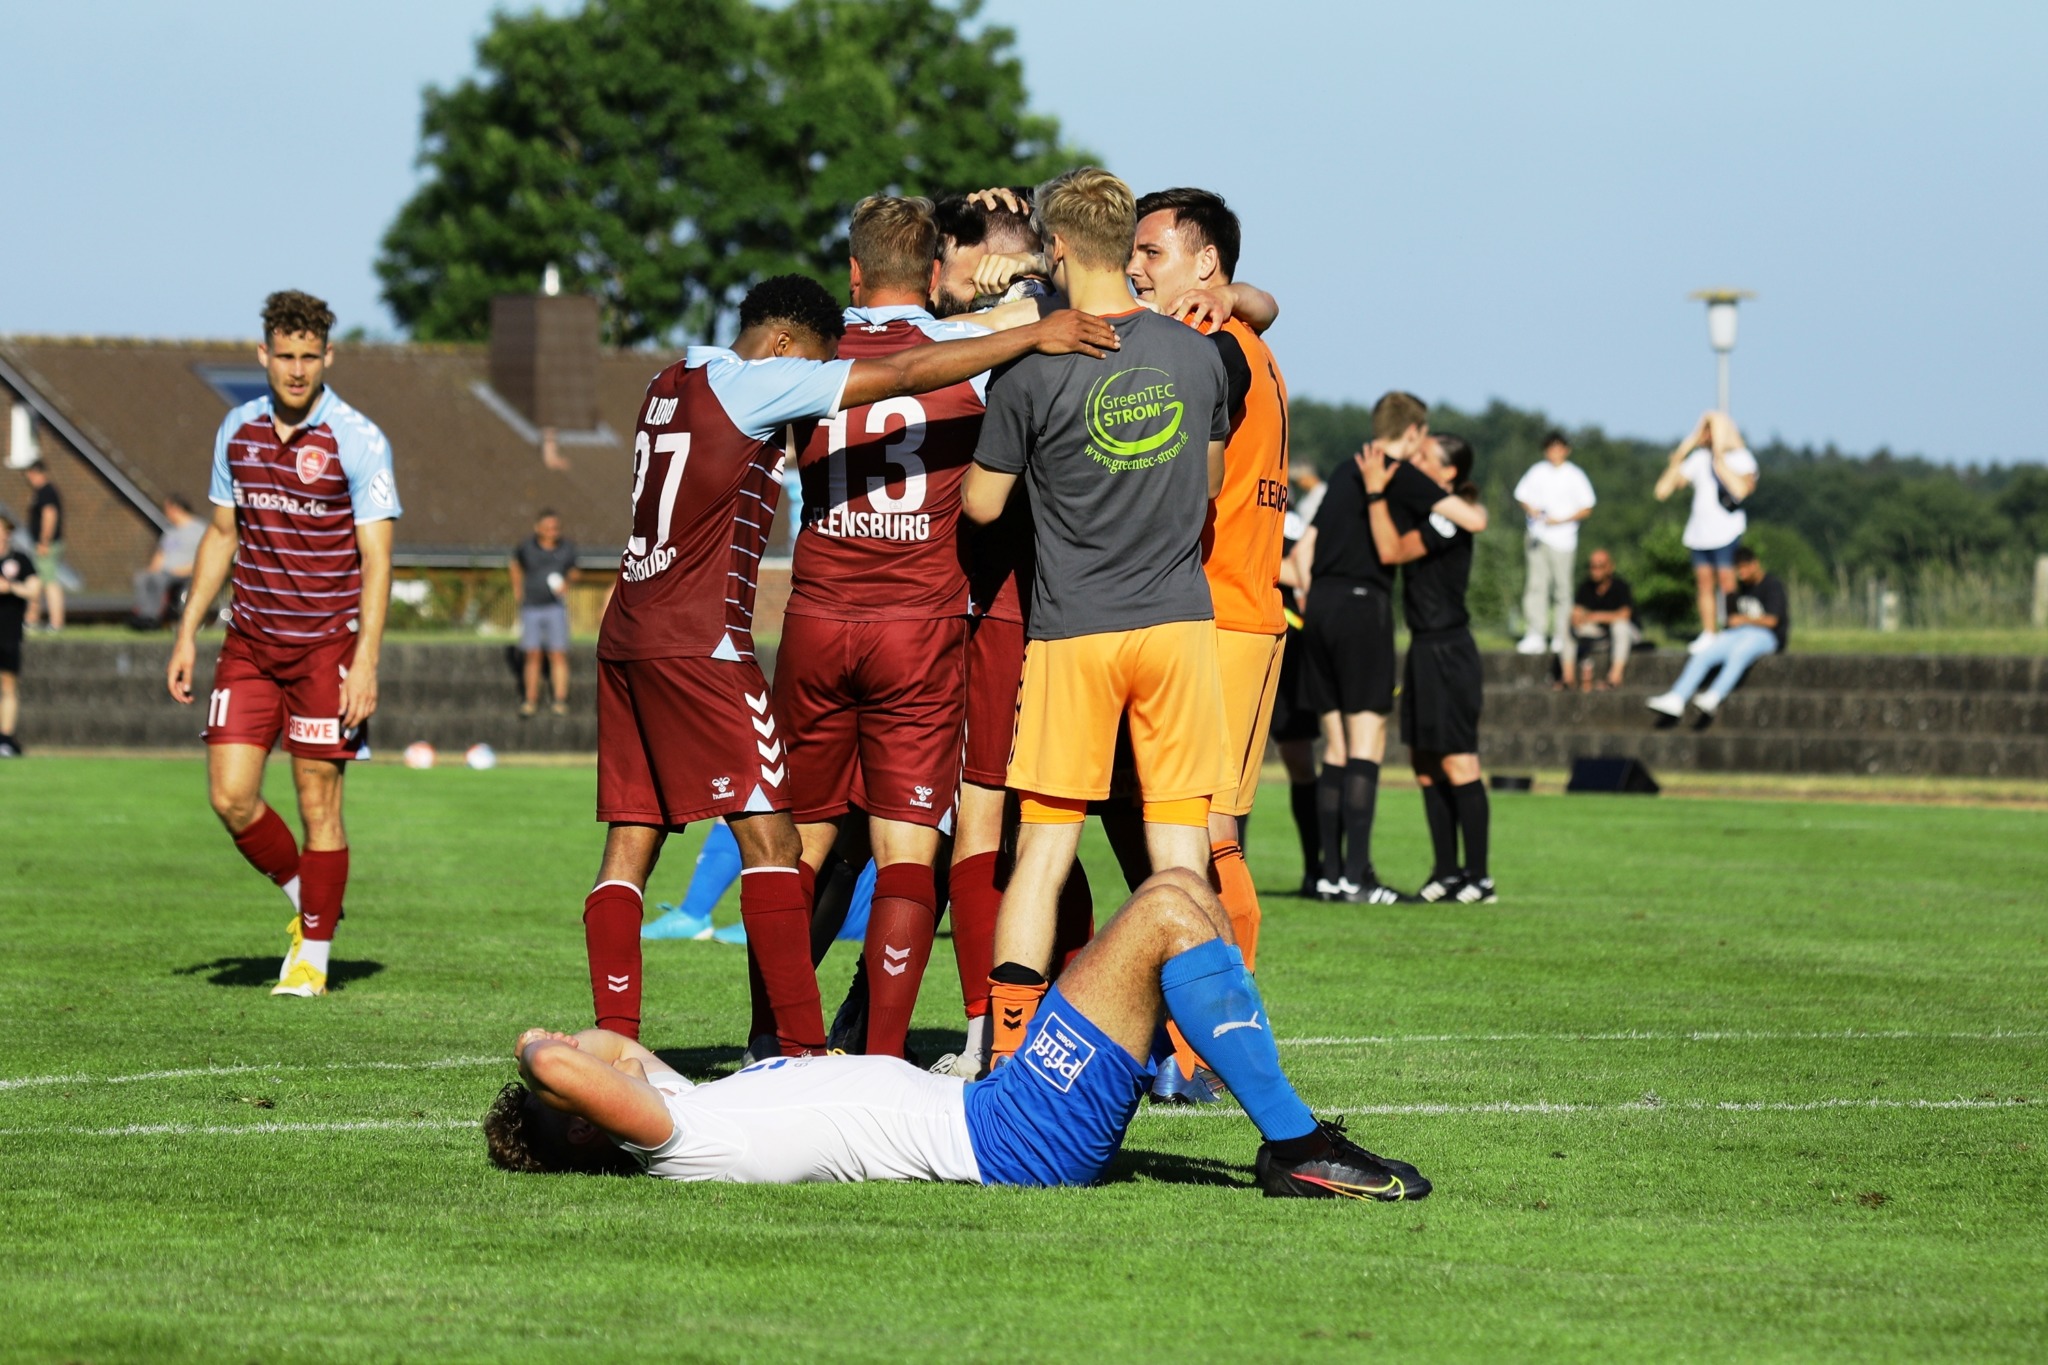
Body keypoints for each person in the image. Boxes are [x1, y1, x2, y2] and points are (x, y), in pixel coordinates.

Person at [582, 271, 1116, 1055]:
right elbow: (901, 373)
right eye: (814, 363)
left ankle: (613, 1043)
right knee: (776, 848)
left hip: (626, 630)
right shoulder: (757, 383)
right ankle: (798, 1049)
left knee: (627, 849)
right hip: (703, 644)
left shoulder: (669, 380)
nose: (816, 384)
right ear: (784, 344)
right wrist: (1033, 331)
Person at [486, 868, 1431, 1201]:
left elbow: (605, 1048)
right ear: (588, 1123)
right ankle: (1299, 1148)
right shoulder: (677, 1140)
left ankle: (1286, 1134)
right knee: (1165, 915)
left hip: (1000, 1110)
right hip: (1013, 1139)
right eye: (566, 1102)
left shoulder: (685, 1099)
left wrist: (564, 1063)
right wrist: (533, 1053)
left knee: (1181, 892)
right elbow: (561, 1056)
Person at [960, 167, 1236, 1068]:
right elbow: (1209, 483)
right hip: (1177, 626)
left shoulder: (1033, 369)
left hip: (1073, 629)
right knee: (1180, 855)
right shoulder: (1199, 353)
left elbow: (982, 507)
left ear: (1059, 247)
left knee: (1042, 850)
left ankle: (1008, 1051)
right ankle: (1194, 1056)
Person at [771, 195, 1003, 1062]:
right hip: (919, 625)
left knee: (798, 842)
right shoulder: (973, 359)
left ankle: (776, 1041)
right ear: (935, 274)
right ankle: (880, 1057)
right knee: (908, 846)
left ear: (854, 273)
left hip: (818, 617)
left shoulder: (811, 357)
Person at [166, 290, 401, 998]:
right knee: (230, 796)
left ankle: (312, 958)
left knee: (317, 800)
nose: (297, 370)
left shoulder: (359, 439)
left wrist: (366, 661)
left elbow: (379, 560)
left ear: (328, 357)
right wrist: (186, 631)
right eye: (285, 355)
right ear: (262, 355)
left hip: (326, 649)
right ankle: (310, 896)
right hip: (249, 643)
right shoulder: (236, 429)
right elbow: (220, 535)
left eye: (309, 356)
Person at [1126, 185, 1289, 1098]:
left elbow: (1192, 477)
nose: (1135, 267)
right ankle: (1187, 1042)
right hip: (1204, 614)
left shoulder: (1219, 346)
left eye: (1151, 251)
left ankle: (1213, 1048)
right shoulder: (1232, 329)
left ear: (1206, 265)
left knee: (1212, 832)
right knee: (1188, 829)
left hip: (1231, 615)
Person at [1286, 393, 1481, 903]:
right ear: (1413, 432)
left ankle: (1329, 875)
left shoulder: (1343, 469)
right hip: (1361, 606)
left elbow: (1304, 549)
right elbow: (1472, 518)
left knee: (1335, 748)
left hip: (1319, 608)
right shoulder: (1399, 474)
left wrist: (1308, 593)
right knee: (1366, 744)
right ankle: (1358, 877)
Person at [1364, 435, 1496, 904]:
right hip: (1423, 647)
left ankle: (1479, 878)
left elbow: (1394, 551)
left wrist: (1376, 494)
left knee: (1460, 761)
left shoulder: (1449, 514)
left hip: (1449, 650)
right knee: (1424, 763)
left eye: (1425, 457)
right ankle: (1446, 873)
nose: (1414, 461)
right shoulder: (1426, 508)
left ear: (1449, 473)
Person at [1654, 411, 1758, 652]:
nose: (1706, 435)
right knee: (1703, 583)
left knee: (1727, 580)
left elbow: (1742, 489)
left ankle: (1731, 629)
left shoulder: (1741, 458)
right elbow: (1666, 489)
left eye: (1710, 430)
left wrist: (1719, 458)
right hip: (1699, 533)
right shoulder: (1699, 458)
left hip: (1726, 531)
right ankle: (1709, 632)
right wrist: (1681, 453)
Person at [1646, 546, 1788, 722]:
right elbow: (1731, 619)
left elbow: (1772, 621)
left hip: (1767, 636)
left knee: (1739, 653)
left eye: (1744, 568)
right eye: (1738, 569)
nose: (1741, 573)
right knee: (1705, 653)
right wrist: (1730, 593)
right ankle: (1677, 697)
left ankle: (1714, 696)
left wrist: (1743, 619)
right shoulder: (1740, 587)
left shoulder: (1772, 585)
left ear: (1754, 564)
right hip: (1739, 632)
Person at [1271, 464, 1327, 897]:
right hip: (1243, 643)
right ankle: (1230, 877)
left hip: (1290, 655)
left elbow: (1299, 571)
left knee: (1301, 763)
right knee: (1233, 776)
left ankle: (1315, 868)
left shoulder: (1292, 525)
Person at [1512, 430, 1595, 658]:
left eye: (1559, 448)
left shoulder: (1575, 475)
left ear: (1566, 450)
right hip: (1538, 535)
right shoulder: (1537, 471)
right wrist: (1533, 511)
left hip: (1564, 539)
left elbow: (1587, 507)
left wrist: (1562, 520)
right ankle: (1535, 633)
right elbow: (1522, 496)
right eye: (1551, 448)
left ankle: (1561, 634)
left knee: (1562, 588)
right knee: (1536, 586)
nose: (1555, 452)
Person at [509, 510, 579, 717]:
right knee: (533, 654)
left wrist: (567, 583)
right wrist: (518, 590)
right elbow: (514, 565)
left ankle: (560, 699)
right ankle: (530, 700)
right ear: (538, 528)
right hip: (532, 607)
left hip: (555, 607)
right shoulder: (526, 547)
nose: (552, 531)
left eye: (555, 528)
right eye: (548, 527)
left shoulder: (567, 548)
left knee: (557, 653)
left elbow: (574, 570)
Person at [1563, 548, 1638, 690]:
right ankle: (1568, 678)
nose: (1595, 570)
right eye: (1592, 566)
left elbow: (1625, 615)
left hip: (1628, 634)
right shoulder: (1585, 587)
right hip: (1600, 635)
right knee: (1568, 627)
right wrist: (1578, 618)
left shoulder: (1620, 586)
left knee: (1620, 626)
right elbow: (1577, 614)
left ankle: (1614, 678)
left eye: (1600, 566)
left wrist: (1595, 616)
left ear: (1610, 567)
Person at [131, 494, 206, 629]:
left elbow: (203, 556)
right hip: (165, 572)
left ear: (176, 508)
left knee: (159, 580)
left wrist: (185, 570)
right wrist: (152, 570)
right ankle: (141, 615)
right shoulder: (171, 531)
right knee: (143, 578)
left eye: (167, 509)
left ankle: (153, 617)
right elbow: (161, 553)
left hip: (185, 573)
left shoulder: (199, 529)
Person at [0, 512, 40, 757]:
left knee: (8, 685)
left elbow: (34, 589)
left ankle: (5, 738)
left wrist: (10, 587)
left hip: (8, 634)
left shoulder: (20, 560)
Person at [21, 461, 64, 631]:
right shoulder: (42, 492)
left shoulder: (46, 491)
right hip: (41, 543)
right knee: (37, 581)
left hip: (45, 545)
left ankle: (56, 623)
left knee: (49, 581)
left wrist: (44, 541)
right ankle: (31, 619)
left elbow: (49, 515)